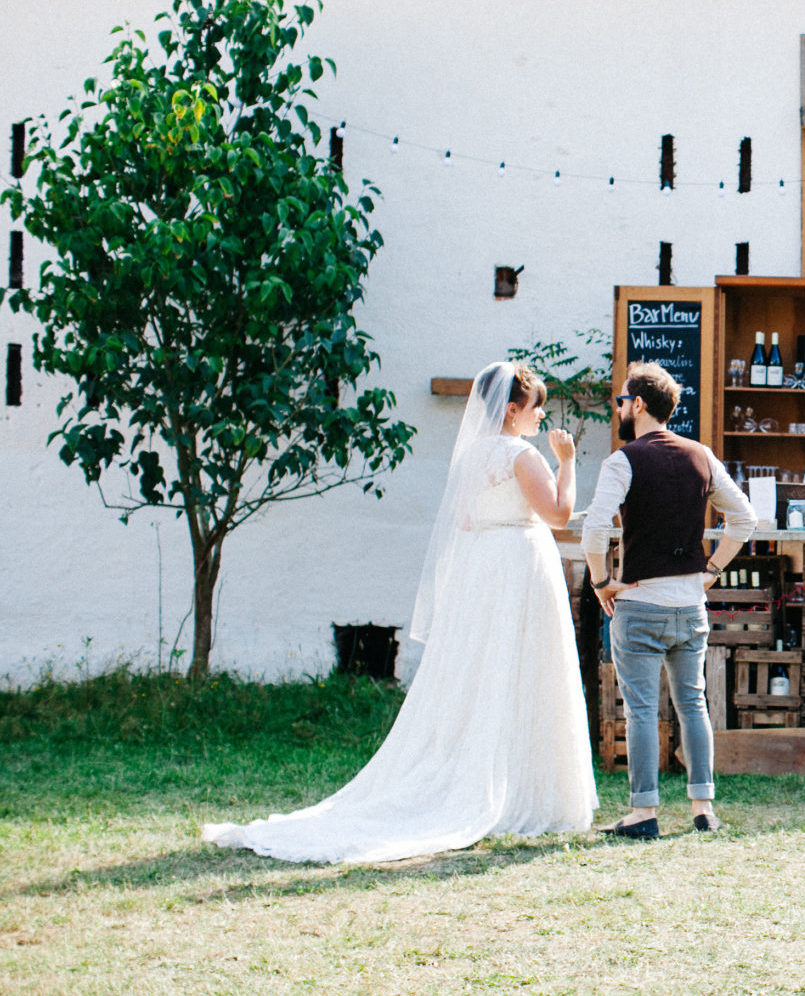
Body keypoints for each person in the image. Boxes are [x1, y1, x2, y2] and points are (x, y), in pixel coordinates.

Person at [204, 362, 596, 862]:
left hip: (483, 573)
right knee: (523, 671)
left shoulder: (473, 456)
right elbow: (559, 514)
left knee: (482, 673)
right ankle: (524, 788)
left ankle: (490, 773)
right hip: (519, 570)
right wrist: (566, 461)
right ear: (513, 410)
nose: (541, 416)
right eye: (536, 407)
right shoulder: (522, 455)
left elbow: (465, 520)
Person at [585, 362, 755, 840]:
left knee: (641, 710)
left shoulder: (623, 460)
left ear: (638, 404)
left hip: (639, 604)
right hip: (690, 605)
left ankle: (643, 813)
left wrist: (602, 584)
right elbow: (744, 519)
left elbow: (595, 529)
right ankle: (703, 808)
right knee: (692, 704)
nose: (619, 406)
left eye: (622, 399)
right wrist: (712, 570)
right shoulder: (701, 455)